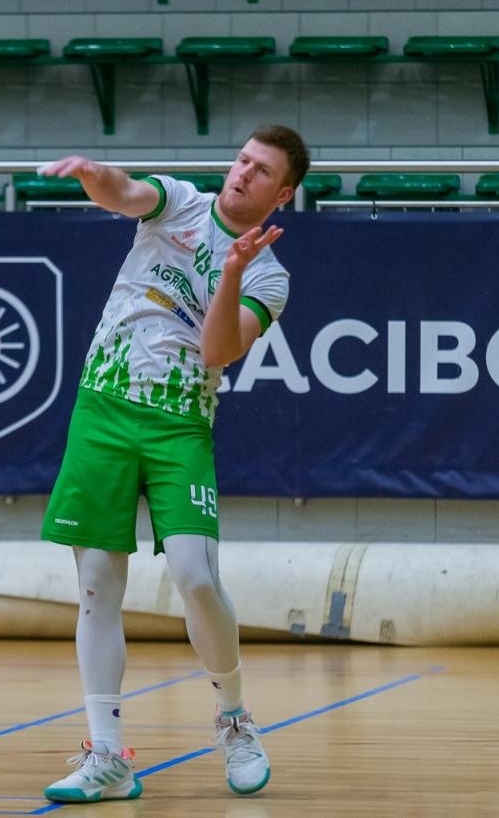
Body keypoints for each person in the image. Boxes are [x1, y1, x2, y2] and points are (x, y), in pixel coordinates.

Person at [37, 124, 310, 804]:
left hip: (179, 423)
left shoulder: (271, 279)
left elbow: (218, 351)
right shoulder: (181, 202)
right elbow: (125, 191)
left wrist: (235, 271)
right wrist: (90, 168)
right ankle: (107, 756)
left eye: (260, 169)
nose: (243, 172)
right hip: (103, 406)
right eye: (242, 158)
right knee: (98, 583)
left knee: (195, 578)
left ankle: (235, 720)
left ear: (284, 191)